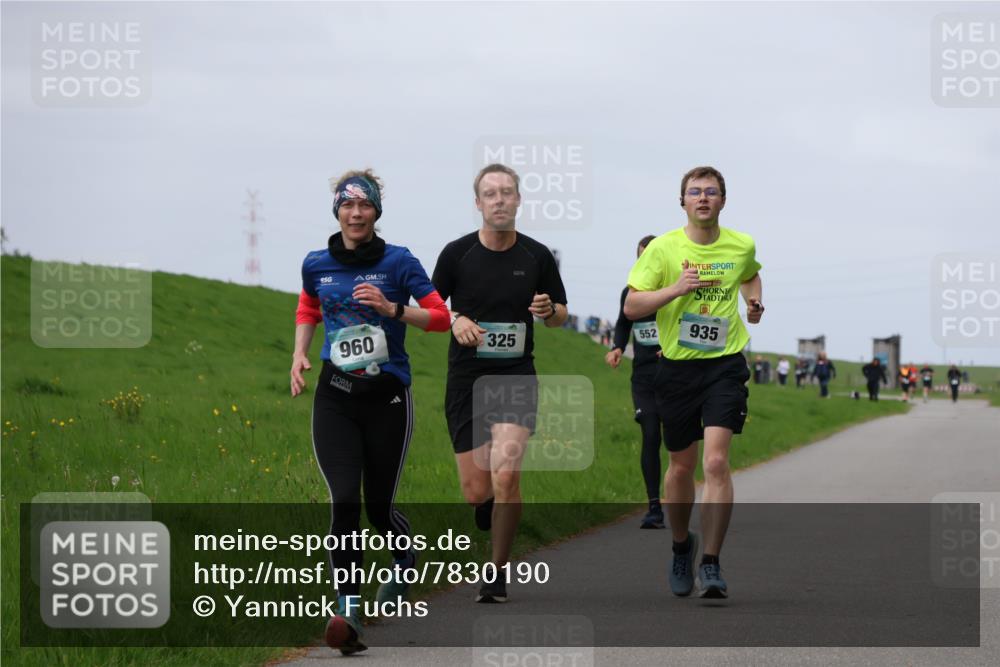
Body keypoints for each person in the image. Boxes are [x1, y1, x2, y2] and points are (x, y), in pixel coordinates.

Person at [291, 169, 450, 654]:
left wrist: (391, 309)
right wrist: (299, 352)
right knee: (344, 500)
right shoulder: (316, 263)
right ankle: (349, 609)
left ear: (376, 212)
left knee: (379, 507)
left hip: (388, 399)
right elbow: (308, 307)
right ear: (337, 210)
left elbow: (441, 317)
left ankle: (404, 562)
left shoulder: (399, 262)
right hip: (334, 396)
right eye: (347, 206)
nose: (356, 214)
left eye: (365, 206)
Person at [624, 165, 764, 599]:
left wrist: (754, 301)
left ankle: (712, 563)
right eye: (694, 192)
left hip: (724, 365)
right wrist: (675, 289)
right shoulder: (664, 249)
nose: (703, 198)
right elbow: (631, 306)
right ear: (682, 201)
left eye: (711, 192)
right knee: (681, 467)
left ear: (723, 200)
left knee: (717, 463)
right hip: (677, 369)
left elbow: (750, 273)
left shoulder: (741, 245)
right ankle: (682, 545)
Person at [432, 163, 568, 604]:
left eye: (507, 192)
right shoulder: (456, 255)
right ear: (478, 203)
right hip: (467, 378)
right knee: (477, 491)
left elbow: (560, 316)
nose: (499, 200)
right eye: (490, 194)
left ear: (519, 200)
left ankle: (496, 572)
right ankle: (487, 506)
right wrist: (456, 320)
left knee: (507, 474)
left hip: (515, 374)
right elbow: (433, 310)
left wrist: (549, 311)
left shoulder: (537, 255)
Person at [606, 234, 667, 529]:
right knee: (651, 434)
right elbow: (622, 323)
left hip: (675, 376)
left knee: (680, 444)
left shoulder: (674, 291)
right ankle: (654, 506)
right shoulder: (629, 294)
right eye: (641, 257)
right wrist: (617, 346)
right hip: (643, 377)